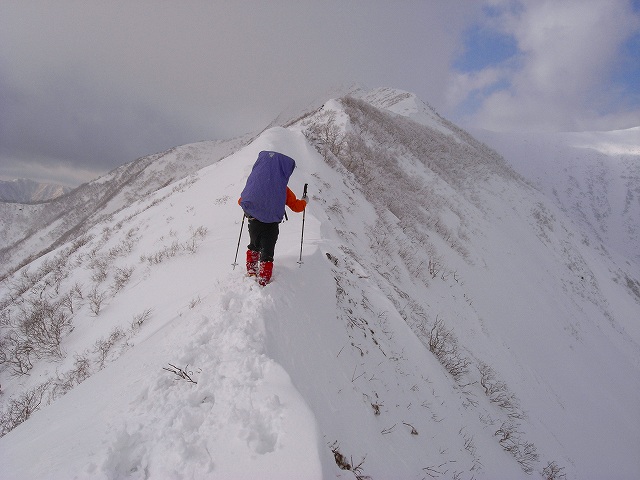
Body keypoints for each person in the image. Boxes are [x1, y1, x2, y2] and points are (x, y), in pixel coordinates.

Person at [238, 151, 307, 286]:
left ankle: (251, 271)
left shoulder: (255, 185)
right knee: (267, 252)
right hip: (271, 225)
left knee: (253, 246)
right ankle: (263, 280)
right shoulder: (282, 189)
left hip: (253, 222)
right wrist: (305, 201)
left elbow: (241, 201)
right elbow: (297, 207)